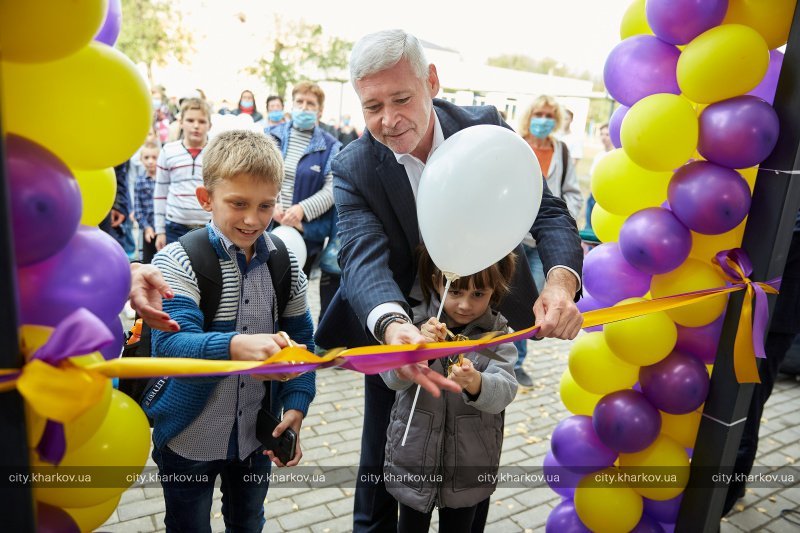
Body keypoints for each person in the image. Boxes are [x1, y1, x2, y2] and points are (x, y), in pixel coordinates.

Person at [313, 30, 583, 533]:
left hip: (482, 322)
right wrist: (397, 331)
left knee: (471, 455)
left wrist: (561, 283)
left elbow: (547, 211)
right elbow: (361, 261)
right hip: (398, 333)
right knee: (381, 464)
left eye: (401, 99)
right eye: (373, 106)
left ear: (431, 81)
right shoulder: (353, 165)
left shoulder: (484, 128)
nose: (388, 121)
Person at [146, 129, 316, 532]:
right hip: (189, 439)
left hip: (256, 439)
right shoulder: (177, 261)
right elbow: (172, 344)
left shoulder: (285, 264)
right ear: (206, 199)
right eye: (238, 203)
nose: (252, 219)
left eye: (265, 205)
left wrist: (296, 403)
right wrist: (238, 345)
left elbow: (304, 343)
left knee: (248, 520)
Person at [381, 246, 518, 532]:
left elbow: (505, 390)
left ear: (495, 290)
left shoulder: (498, 336)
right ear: (436, 282)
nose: (465, 305)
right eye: (455, 292)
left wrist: (476, 383)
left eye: (478, 294)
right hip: (413, 461)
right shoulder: (412, 326)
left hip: (469, 467)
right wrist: (420, 351)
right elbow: (391, 378)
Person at [723, 211, 800, 515]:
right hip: (757, 307)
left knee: (745, 406)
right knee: (744, 402)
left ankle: (723, 498)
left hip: (773, 314)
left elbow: (787, 233)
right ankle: (732, 485)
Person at [512, 95, 583, 387]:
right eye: (538, 114)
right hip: (513, 239)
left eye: (548, 115)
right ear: (529, 117)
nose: (543, 120)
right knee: (511, 298)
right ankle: (505, 359)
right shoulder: (515, 145)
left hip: (545, 243)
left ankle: (517, 362)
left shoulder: (562, 151)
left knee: (534, 300)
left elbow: (573, 193)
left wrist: (563, 220)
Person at [268, 81, 341, 274]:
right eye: (299, 101)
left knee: (295, 293)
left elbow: (331, 188)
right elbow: (258, 176)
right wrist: (269, 204)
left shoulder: (331, 146)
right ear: (291, 105)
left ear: (320, 111)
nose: (304, 107)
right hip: (267, 226)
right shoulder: (272, 136)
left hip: (305, 233)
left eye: (311, 104)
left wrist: (302, 210)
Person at [154, 97, 212, 250]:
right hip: (175, 227)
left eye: (201, 121)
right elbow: (160, 192)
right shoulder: (168, 151)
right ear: (181, 122)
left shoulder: (217, 152)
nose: (195, 126)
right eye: (190, 120)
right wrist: (160, 230)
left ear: (209, 125)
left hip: (209, 228)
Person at [134, 141, 160, 264]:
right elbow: (138, 210)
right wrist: (146, 227)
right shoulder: (139, 182)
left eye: (154, 157)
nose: (150, 161)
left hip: (163, 230)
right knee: (148, 262)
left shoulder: (163, 181)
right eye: (146, 157)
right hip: (148, 230)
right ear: (141, 160)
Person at [585, 123, 614, 230]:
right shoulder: (599, 156)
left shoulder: (615, 155)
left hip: (607, 200)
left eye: (607, 135)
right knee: (589, 228)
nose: (604, 137)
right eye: (602, 134)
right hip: (593, 198)